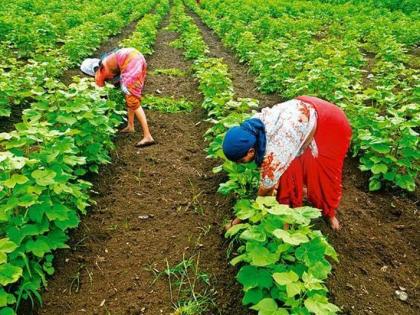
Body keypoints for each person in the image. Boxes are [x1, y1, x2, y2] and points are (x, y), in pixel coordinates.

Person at [222, 96, 352, 231]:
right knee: (288, 174)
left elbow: (265, 189)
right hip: (300, 117)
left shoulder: (276, 148)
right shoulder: (251, 128)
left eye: (241, 161)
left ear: (250, 151)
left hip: (331, 122)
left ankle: (329, 213)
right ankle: (289, 211)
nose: (241, 164)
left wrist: (236, 222)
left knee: (324, 175)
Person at [81, 48, 155, 147]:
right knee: (128, 95)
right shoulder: (105, 62)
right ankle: (130, 125)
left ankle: (147, 136)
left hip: (131, 61)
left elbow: (102, 97)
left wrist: (103, 110)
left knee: (133, 100)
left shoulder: (99, 73)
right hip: (137, 57)